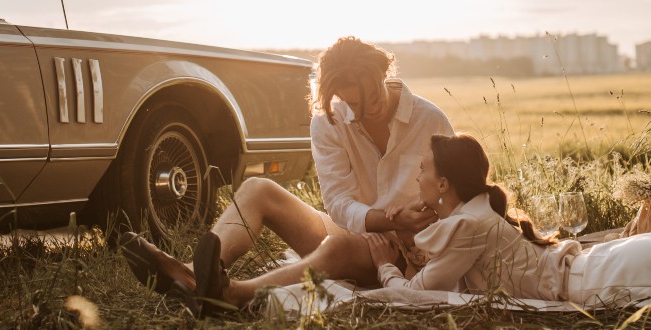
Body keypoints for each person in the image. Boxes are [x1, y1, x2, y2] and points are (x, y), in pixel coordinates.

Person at [121, 36, 454, 316]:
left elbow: (458, 196)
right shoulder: (329, 121)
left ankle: (234, 294)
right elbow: (337, 202)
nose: (366, 110)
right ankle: (195, 276)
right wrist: (382, 219)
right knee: (256, 189)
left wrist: (414, 230)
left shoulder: (430, 121)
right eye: (354, 102)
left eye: (372, 97)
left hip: (407, 250)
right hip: (359, 225)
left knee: (336, 247)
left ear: (385, 73)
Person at [361, 133, 651, 305]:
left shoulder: (467, 225)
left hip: (595, 280)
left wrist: (384, 267)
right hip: (595, 267)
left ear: (443, 184)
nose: (417, 176)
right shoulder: (475, 212)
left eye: (423, 169)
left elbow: (414, 296)